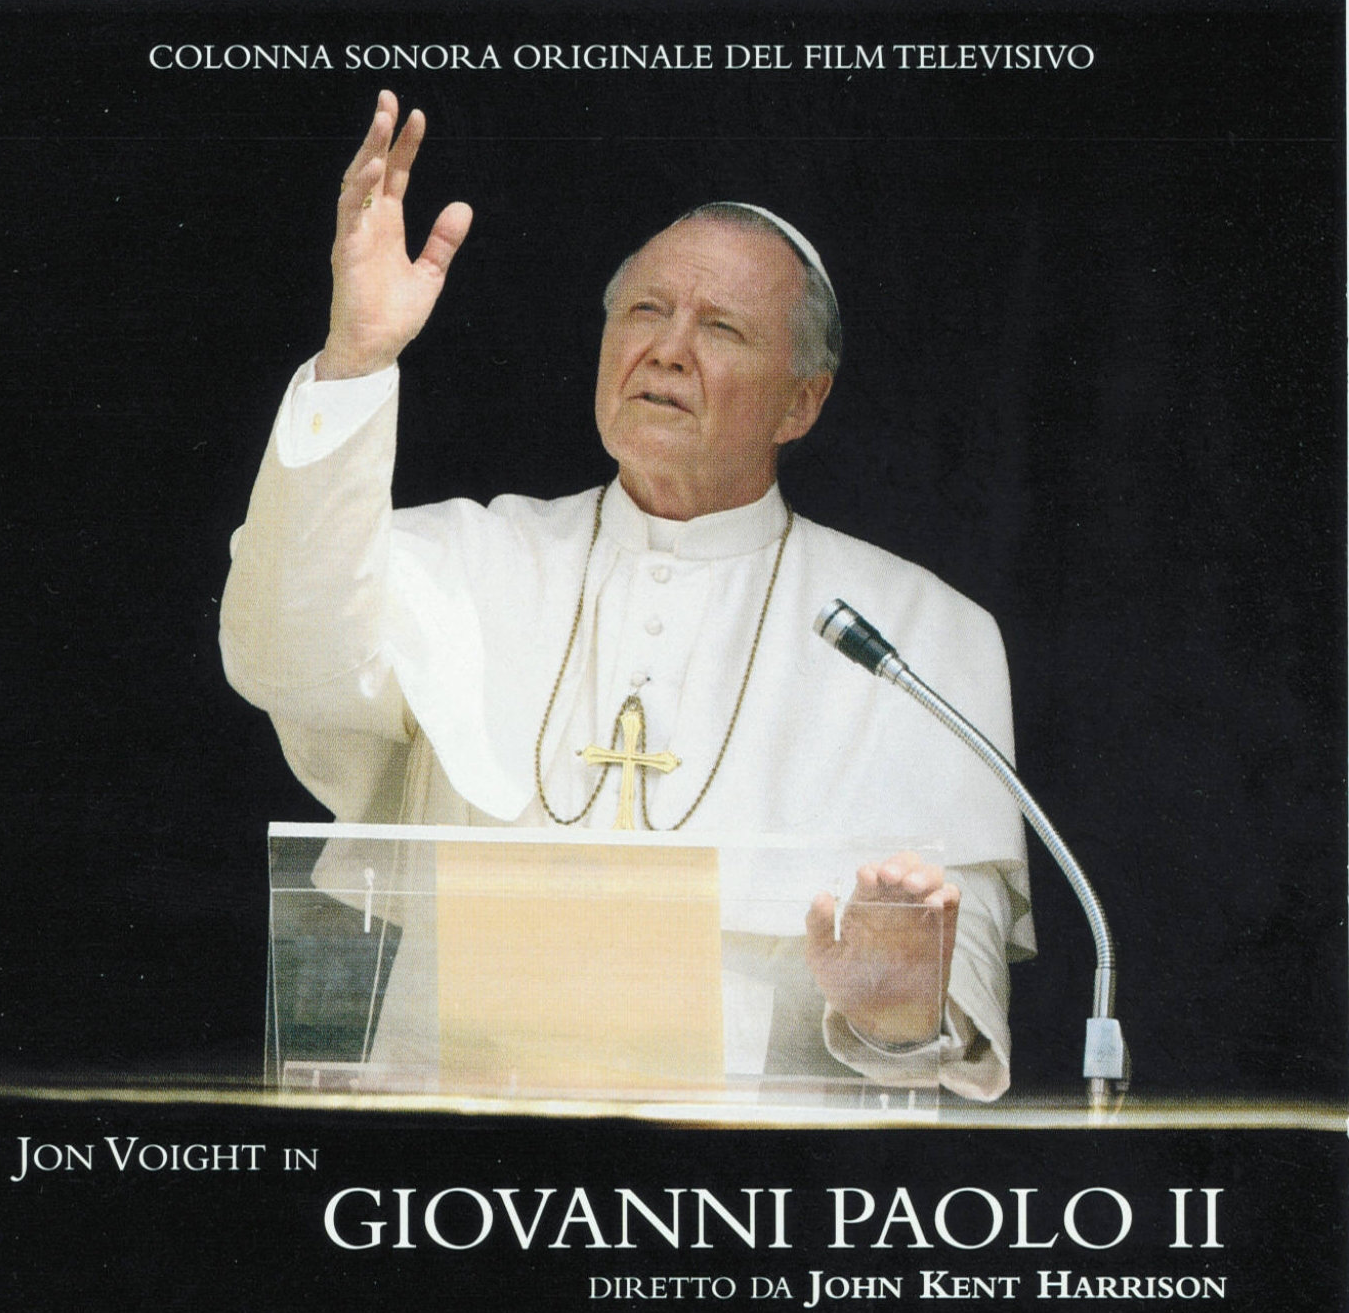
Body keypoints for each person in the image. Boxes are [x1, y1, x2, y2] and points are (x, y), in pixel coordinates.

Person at [222, 92, 1033, 1100]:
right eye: (646, 311)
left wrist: (901, 1012)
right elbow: (282, 650)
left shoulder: (918, 634)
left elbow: (946, 981)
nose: (669, 348)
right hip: (452, 1140)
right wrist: (356, 362)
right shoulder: (468, 560)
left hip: (747, 1167)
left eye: (722, 327)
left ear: (801, 401)